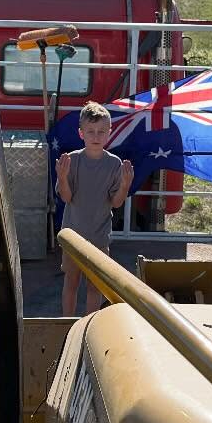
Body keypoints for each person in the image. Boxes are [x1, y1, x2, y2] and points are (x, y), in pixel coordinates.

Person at [55, 101, 135, 317]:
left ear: (109, 133)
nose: (96, 136)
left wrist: (126, 185)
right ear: (81, 133)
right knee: (71, 283)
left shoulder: (114, 164)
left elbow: (116, 202)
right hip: (73, 237)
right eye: (90, 131)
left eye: (101, 131)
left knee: (95, 287)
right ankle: (67, 324)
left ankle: (90, 324)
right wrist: (62, 178)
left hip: (99, 238)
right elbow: (66, 197)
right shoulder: (71, 160)